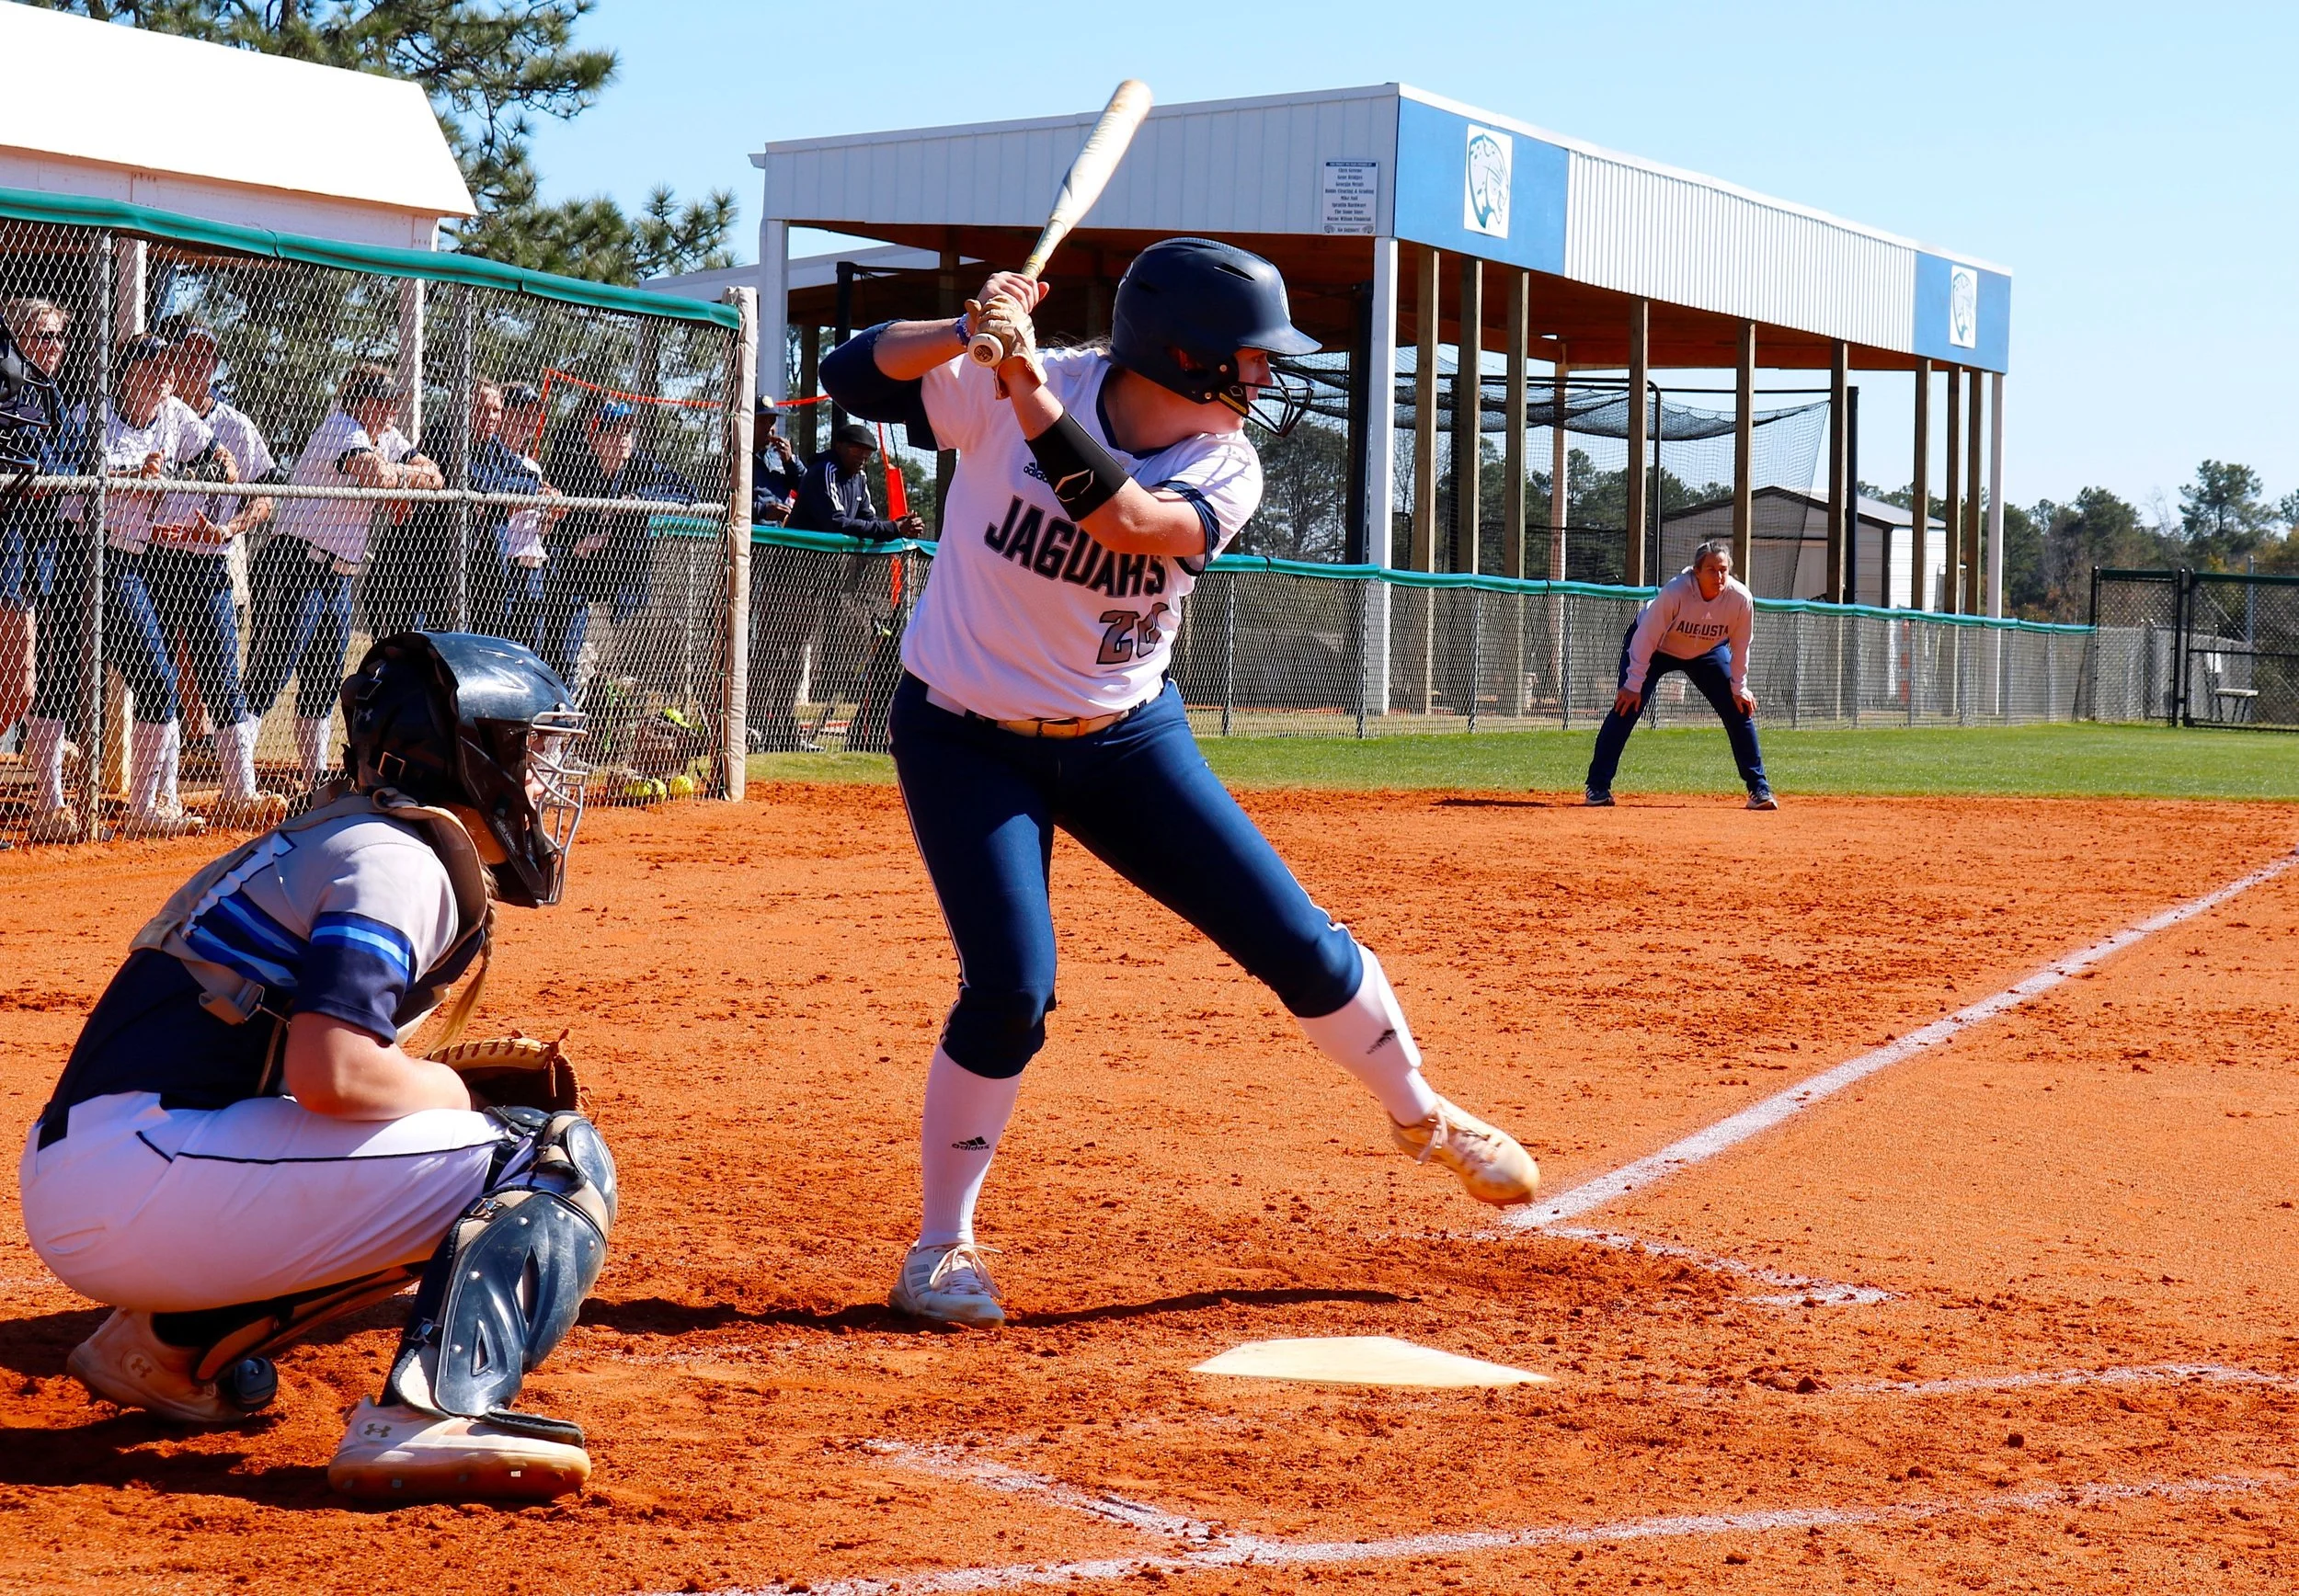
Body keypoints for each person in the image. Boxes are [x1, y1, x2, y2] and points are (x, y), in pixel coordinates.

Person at [819, 236, 1539, 1328]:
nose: (1263, 380)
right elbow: (855, 373)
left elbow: (1127, 522)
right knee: (1011, 985)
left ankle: (1423, 1115)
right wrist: (967, 333)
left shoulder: (1221, 461)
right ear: (1184, 351)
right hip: (964, 733)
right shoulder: (1024, 374)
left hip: (1122, 734)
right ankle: (941, 1245)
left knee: (1295, 939)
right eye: (1249, 359)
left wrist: (1012, 381)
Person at [17, 630, 614, 1502]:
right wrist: (456, 1090)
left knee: (455, 1160)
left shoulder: (350, 837)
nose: (546, 780)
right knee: (546, 1157)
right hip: (149, 1170)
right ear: (468, 757)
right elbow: (333, 1074)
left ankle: (170, 1342)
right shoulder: (398, 860)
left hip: (122, 1162)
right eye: (530, 750)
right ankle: (432, 1414)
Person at [51, 334, 239, 839]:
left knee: (158, 680)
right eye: (154, 368)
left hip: (130, 558)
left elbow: (216, 449)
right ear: (129, 370)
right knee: (65, 679)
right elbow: (73, 469)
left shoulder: (174, 414)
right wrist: (135, 471)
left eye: (169, 370)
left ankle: (144, 808)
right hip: (78, 549)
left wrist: (217, 466)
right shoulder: (99, 411)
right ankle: (53, 804)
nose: (165, 378)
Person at [246, 363, 442, 789]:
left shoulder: (384, 436)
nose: (393, 410)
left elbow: (434, 476)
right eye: (384, 401)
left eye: (393, 401)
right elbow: (377, 475)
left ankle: (313, 780)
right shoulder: (342, 426)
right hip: (295, 560)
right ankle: (240, 784)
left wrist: (400, 478)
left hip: (338, 573)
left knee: (322, 679)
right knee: (272, 671)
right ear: (362, 401)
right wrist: (401, 481)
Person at [152, 318, 289, 828]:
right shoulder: (160, 415)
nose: (199, 363)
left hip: (211, 559)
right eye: (188, 353)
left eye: (207, 355)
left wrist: (231, 526)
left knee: (223, 677)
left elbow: (268, 493)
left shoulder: (235, 424)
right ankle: (164, 795)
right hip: (156, 555)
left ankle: (240, 792)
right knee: (162, 676)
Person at [1583, 539, 1776, 810]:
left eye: (1723, 569)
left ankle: (1759, 789)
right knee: (1628, 706)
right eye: (1711, 569)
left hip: (1707, 651)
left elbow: (1742, 645)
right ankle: (1597, 786)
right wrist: (1634, 682)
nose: (1718, 576)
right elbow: (1646, 637)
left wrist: (1739, 686)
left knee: (1738, 708)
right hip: (1657, 648)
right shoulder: (1676, 592)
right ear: (1696, 571)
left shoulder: (1740, 599)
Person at [538, 396, 696, 691]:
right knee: (564, 647)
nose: (622, 439)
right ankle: (563, 694)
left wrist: (638, 500)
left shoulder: (641, 466)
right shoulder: (577, 469)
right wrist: (580, 541)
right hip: (579, 573)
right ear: (595, 438)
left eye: (627, 431)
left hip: (623, 574)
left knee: (631, 662)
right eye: (613, 431)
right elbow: (558, 523)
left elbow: (687, 490)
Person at [1, 298, 66, 781]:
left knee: (19, 686)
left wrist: (45, 472)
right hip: (6, 536)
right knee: (17, 678)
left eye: (60, 337)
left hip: (35, 541)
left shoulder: (49, 394)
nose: (56, 346)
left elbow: (72, 458)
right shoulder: (7, 383)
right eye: (45, 335)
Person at [489, 382, 560, 653]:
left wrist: (550, 513)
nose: (529, 421)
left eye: (534, 415)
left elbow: (539, 529)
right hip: (507, 567)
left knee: (531, 651)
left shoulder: (531, 466)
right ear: (505, 414)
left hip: (533, 570)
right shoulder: (494, 458)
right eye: (523, 413)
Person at [786, 420, 922, 542]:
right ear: (839, 447)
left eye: (867, 455)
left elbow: (868, 518)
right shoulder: (824, 471)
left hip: (827, 561)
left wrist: (900, 529)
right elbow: (837, 523)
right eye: (856, 451)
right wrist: (893, 528)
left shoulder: (859, 477)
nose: (862, 459)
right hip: (798, 559)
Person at [750, 401, 803, 526]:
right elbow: (725, 504)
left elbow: (807, 487)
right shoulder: (736, 458)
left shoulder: (778, 456)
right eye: (762, 421)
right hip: (752, 534)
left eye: (772, 421)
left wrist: (791, 462)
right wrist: (762, 510)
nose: (769, 428)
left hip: (778, 535)